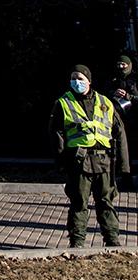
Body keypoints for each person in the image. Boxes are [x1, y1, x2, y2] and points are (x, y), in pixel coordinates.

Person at [49, 65, 129, 248]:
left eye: (80, 78)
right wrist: (61, 162)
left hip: (103, 161)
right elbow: (56, 134)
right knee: (79, 203)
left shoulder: (105, 102)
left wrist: (124, 166)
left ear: (89, 81)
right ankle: (77, 242)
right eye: (73, 79)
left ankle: (112, 240)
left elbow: (120, 132)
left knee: (106, 202)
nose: (76, 82)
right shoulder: (63, 103)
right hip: (79, 162)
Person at [106, 54, 138, 183]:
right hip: (118, 118)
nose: (121, 67)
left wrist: (128, 96)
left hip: (134, 117)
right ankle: (125, 176)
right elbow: (103, 95)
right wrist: (113, 93)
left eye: (123, 65)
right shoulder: (113, 79)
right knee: (121, 147)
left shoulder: (135, 79)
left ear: (129, 65)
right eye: (119, 64)